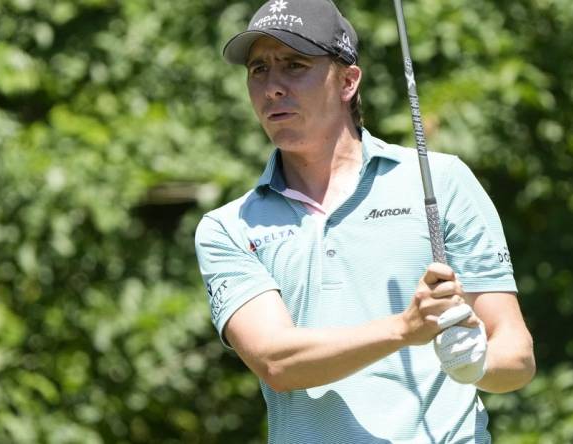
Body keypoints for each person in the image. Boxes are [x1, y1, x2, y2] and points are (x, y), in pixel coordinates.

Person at [194, 0, 535, 442]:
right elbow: (277, 362)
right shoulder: (229, 227)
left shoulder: (441, 180)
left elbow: (517, 356)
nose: (272, 86)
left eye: (294, 65)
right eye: (259, 70)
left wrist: (479, 363)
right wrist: (403, 330)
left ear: (348, 81)